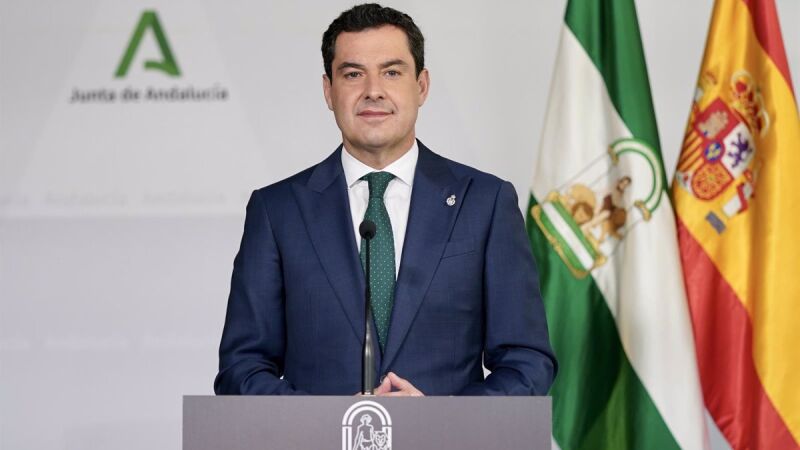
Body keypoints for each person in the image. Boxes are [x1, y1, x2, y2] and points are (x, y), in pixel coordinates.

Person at [214, 3, 556, 396]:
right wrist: (332, 421)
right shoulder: (277, 211)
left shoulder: (485, 203)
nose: (373, 90)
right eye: (353, 74)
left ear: (421, 86)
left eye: (392, 72)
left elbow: (527, 363)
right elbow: (242, 367)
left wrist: (440, 420)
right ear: (328, 90)